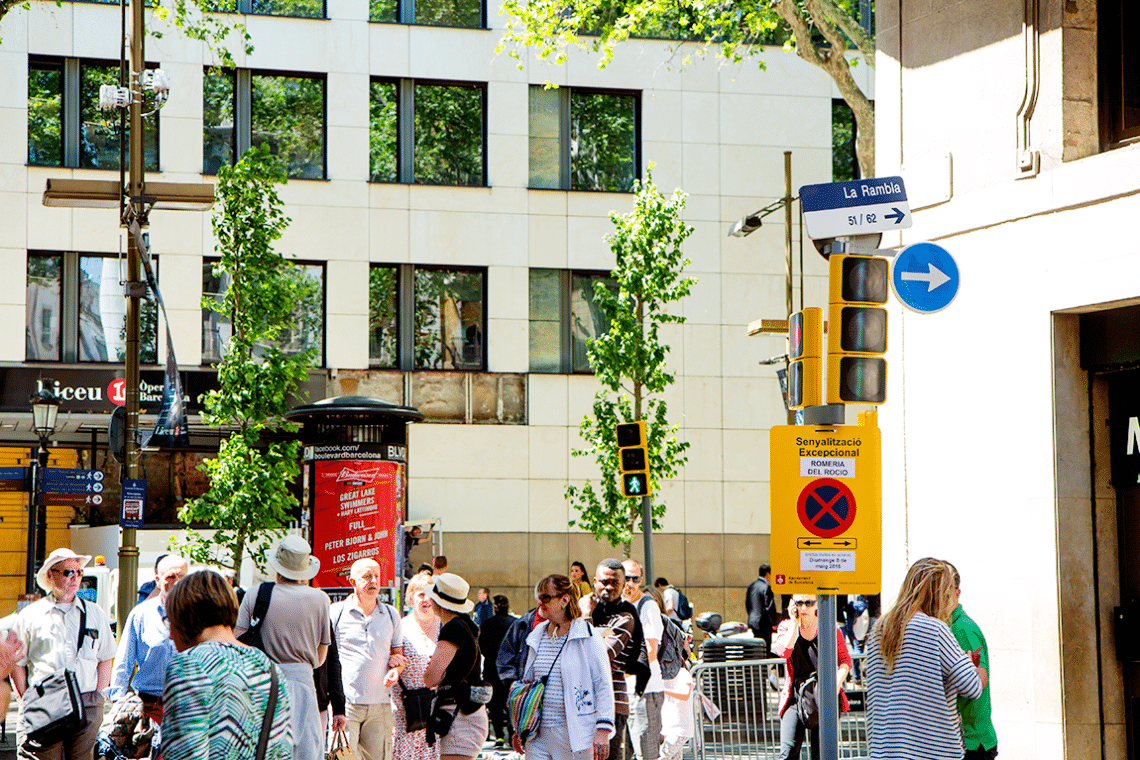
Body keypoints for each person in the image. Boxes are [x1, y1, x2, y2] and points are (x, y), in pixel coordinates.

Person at [162, 569, 292, 760]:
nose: (170, 634)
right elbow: (283, 752)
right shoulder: (268, 667)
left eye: (169, 621)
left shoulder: (188, 666)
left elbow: (183, 754)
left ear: (182, 618)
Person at [864, 558, 985, 760]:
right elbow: (971, 687)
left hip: (884, 749)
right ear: (939, 594)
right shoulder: (935, 629)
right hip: (929, 752)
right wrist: (969, 664)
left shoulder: (880, 628)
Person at [12, 547, 116, 760]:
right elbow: (17, 662)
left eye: (79, 573)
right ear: (51, 575)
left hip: (87, 701)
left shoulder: (95, 613)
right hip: (45, 701)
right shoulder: (31, 615)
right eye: (68, 572)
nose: (75, 578)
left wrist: (98, 696)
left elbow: (105, 657)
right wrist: (25, 701)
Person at [235, 535, 330, 760]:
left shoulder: (256, 593)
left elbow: (238, 640)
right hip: (304, 683)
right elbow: (320, 656)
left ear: (277, 567)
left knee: (262, 747)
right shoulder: (320, 599)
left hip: (262, 682)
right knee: (305, 748)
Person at [513, 574, 614, 760]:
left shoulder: (587, 635)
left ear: (564, 600)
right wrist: (521, 726)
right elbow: (529, 684)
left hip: (573, 733)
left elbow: (603, 684)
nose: (540, 603)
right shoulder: (537, 634)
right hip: (537, 734)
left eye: (545, 597)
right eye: (539, 597)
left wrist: (603, 729)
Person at [331, 558, 406, 760]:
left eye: (377, 576)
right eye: (367, 576)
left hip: (380, 706)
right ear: (352, 581)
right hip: (346, 707)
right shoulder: (335, 613)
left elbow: (398, 655)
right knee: (343, 759)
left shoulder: (391, 614)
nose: (373, 581)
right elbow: (327, 660)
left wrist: (396, 670)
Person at [109, 554, 189, 723]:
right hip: (151, 707)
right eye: (171, 577)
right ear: (158, 580)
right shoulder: (141, 614)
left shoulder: (199, 614)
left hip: (189, 705)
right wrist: (117, 701)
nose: (177, 581)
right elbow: (124, 660)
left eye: (182, 576)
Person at [771, 594, 852, 760]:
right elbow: (784, 651)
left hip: (824, 697)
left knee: (821, 753)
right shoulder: (786, 627)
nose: (804, 608)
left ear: (817, 604)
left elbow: (845, 661)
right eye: (799, 603)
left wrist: (834, 686)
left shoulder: (830, 628)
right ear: (792, 604)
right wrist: (794, 623)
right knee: (788, 751)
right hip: (795, 697)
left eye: (809, 603)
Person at [581, 559, 647, 760]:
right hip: (581, 705)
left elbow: (596, 657)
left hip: (611, 706)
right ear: (594, 581)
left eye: (615, 583)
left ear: (622, 584)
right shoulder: (583, 610)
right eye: (604, 582)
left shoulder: (624, 618)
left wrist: (585, 616)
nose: (609, 587)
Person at [423, 573, 488, 760]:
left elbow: (431, 677)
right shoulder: (466, 626)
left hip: (460, 716)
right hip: (465, 713)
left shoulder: (453, 629)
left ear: (440, 602)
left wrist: (436, 673)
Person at [947, 563, 998, 760]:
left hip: (971, 742)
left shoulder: (962, 628)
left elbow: (980, 680)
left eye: (946, 593)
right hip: (966, 740)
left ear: (957, 593)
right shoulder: (950, 625)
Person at [393, 573, 440, 760]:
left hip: (438, 711)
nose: (426, 599)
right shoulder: (400, 627)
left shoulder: (446, 627)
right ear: (411, 598)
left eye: (430, 594)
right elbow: (393, 660)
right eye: (420, 594)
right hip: (406, 712)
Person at [622, 560, 664, 760]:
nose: (629, 583)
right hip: (621, 693)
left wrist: (625, 671)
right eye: (625, 578)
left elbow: (651, 649)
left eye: (635, 579)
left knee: (646, 756)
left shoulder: (647, 607)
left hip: (643, 692)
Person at [477, 595, 513, 748]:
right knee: (510, 702)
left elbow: (482, 646)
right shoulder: (514, 623)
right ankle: (512, 734)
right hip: (510, 668)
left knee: (495, 704)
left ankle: (498, 735)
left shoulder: (487, 624)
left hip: (492, 668)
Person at [746, 564, 777, 651]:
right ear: (768, 574)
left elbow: (748, 605)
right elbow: (769, 607)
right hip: (764, 624)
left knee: (756, 650)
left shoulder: (751, 586)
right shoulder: (766, 587)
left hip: (753, 622)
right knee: (765, 650)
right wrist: (774, 622)